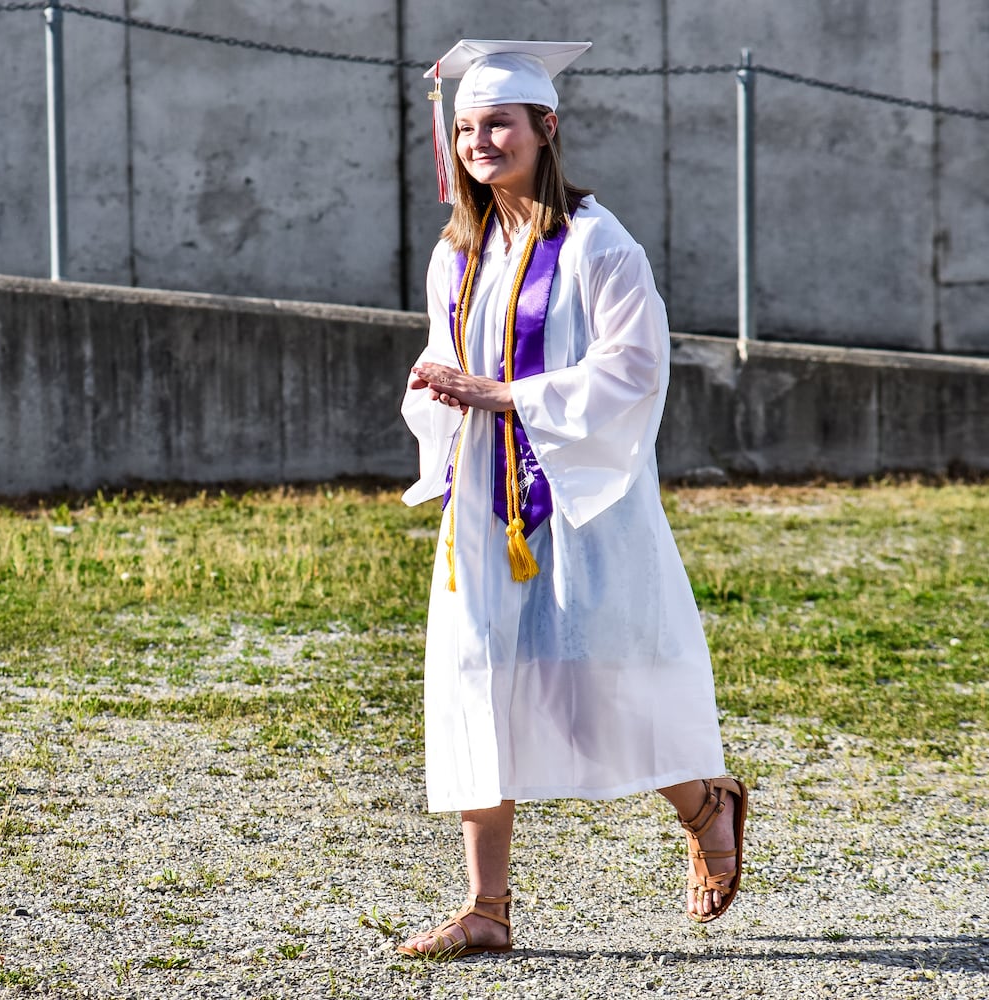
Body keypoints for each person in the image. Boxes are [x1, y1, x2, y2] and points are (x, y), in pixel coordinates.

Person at [396, 39, 748, 959]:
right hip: (485, 496)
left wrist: (508, 396)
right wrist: (442, 390)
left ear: (546, 129)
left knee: (589, 682)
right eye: (467, 128)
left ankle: (708, 802)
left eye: (498, 124)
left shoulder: (598, 242)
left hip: (577, 496)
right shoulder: (458, 251)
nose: (480, 142)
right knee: (474, 680)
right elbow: (456, 356)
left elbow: (635, 368)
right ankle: (486, 909)